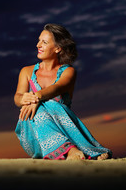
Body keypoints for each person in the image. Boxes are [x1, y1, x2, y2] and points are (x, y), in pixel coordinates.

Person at [14, 23, 112, 160]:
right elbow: (18, 98)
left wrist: (37, 97)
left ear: (58, 48)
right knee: (37, 110)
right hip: (34, 132)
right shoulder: (27, 71)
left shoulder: (68, 71)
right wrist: (24, 99)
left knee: (49, 104)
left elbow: (58, 87)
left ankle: (77, 150)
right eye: (38, 40)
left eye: (44, 42)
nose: (38, 45)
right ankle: (70, 151)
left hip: (65, 128)